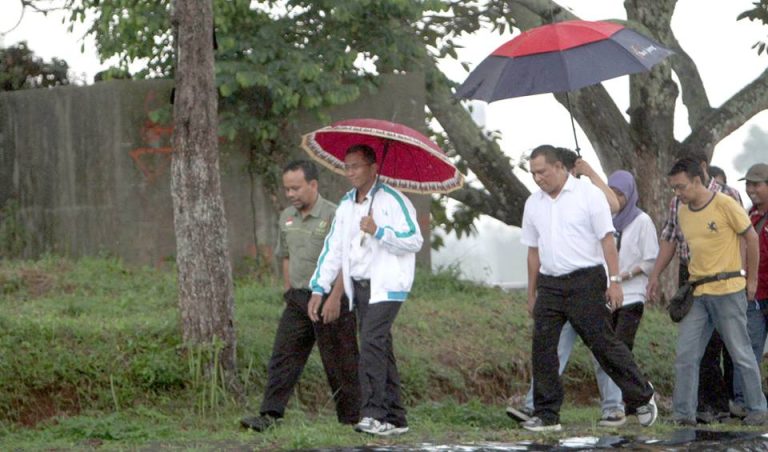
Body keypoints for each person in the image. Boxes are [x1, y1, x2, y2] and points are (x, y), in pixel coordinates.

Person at [519, 144, 657, 432]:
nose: (538, 178)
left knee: (602, 343)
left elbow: (608, 241)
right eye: (533, 173)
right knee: (543, 346)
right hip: (551, 282)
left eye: (542, 172)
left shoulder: (588, 195)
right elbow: (533, 251)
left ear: (560, 167)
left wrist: (615, 281)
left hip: (586, 280)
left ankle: (642, 395)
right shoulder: (534, 203)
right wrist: (532, 293)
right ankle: (547, 414)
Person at [308, 144, 423, 436]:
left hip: (387, 286)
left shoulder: (394, 200)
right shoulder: (347, 204)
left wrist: (379, 231)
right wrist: (319, 288)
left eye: (356, 166)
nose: (350, 172)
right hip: (358, 286)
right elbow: (334, 248)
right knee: (380, 346)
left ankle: (375, 414)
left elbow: (414, 240)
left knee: (371, 342)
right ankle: (397, 417)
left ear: (373, 168)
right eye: (346, 166)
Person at [241, 160, 360, 432]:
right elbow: (285, 256)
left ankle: (353, 419)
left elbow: (347, 260)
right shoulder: (286, 217)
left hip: (331, 297)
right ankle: (270, 415)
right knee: (284, 356)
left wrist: (335, 298)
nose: (291, 194)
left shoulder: (335, 215)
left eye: (296, 188)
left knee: (341, 359)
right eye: (287, 189)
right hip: (298, 299)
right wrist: (289, 290)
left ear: (313, 185)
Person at [662, 157, 767, 426]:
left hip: (729, 289)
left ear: (697, 181)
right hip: (698, 291)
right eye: (674, 188)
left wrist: (751, 280)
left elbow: (751, 238)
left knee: (740, 352)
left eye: (681, 187)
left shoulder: (725, 204)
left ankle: (757, 408)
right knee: (686, 354)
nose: (678, 193)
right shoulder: (683, 212)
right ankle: (683, 414)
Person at [646, 151, 743, 423]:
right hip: (690, 275)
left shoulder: (728, 195)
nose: (678, 189)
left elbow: (745, 236)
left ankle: (732, 404)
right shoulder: (678, 201)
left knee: (728, 343)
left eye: (682, 181)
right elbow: (670, 236)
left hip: (724, 275)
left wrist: (746, 276)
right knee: (696, 344)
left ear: (700, 171)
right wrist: (655, 275)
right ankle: (703, 405)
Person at [732, 163, 768, 413]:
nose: (751, 189)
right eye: (748, 184)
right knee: (748, 349)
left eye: (756, 184)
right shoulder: (748, 215)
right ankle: (743, 403)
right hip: (754, 295)